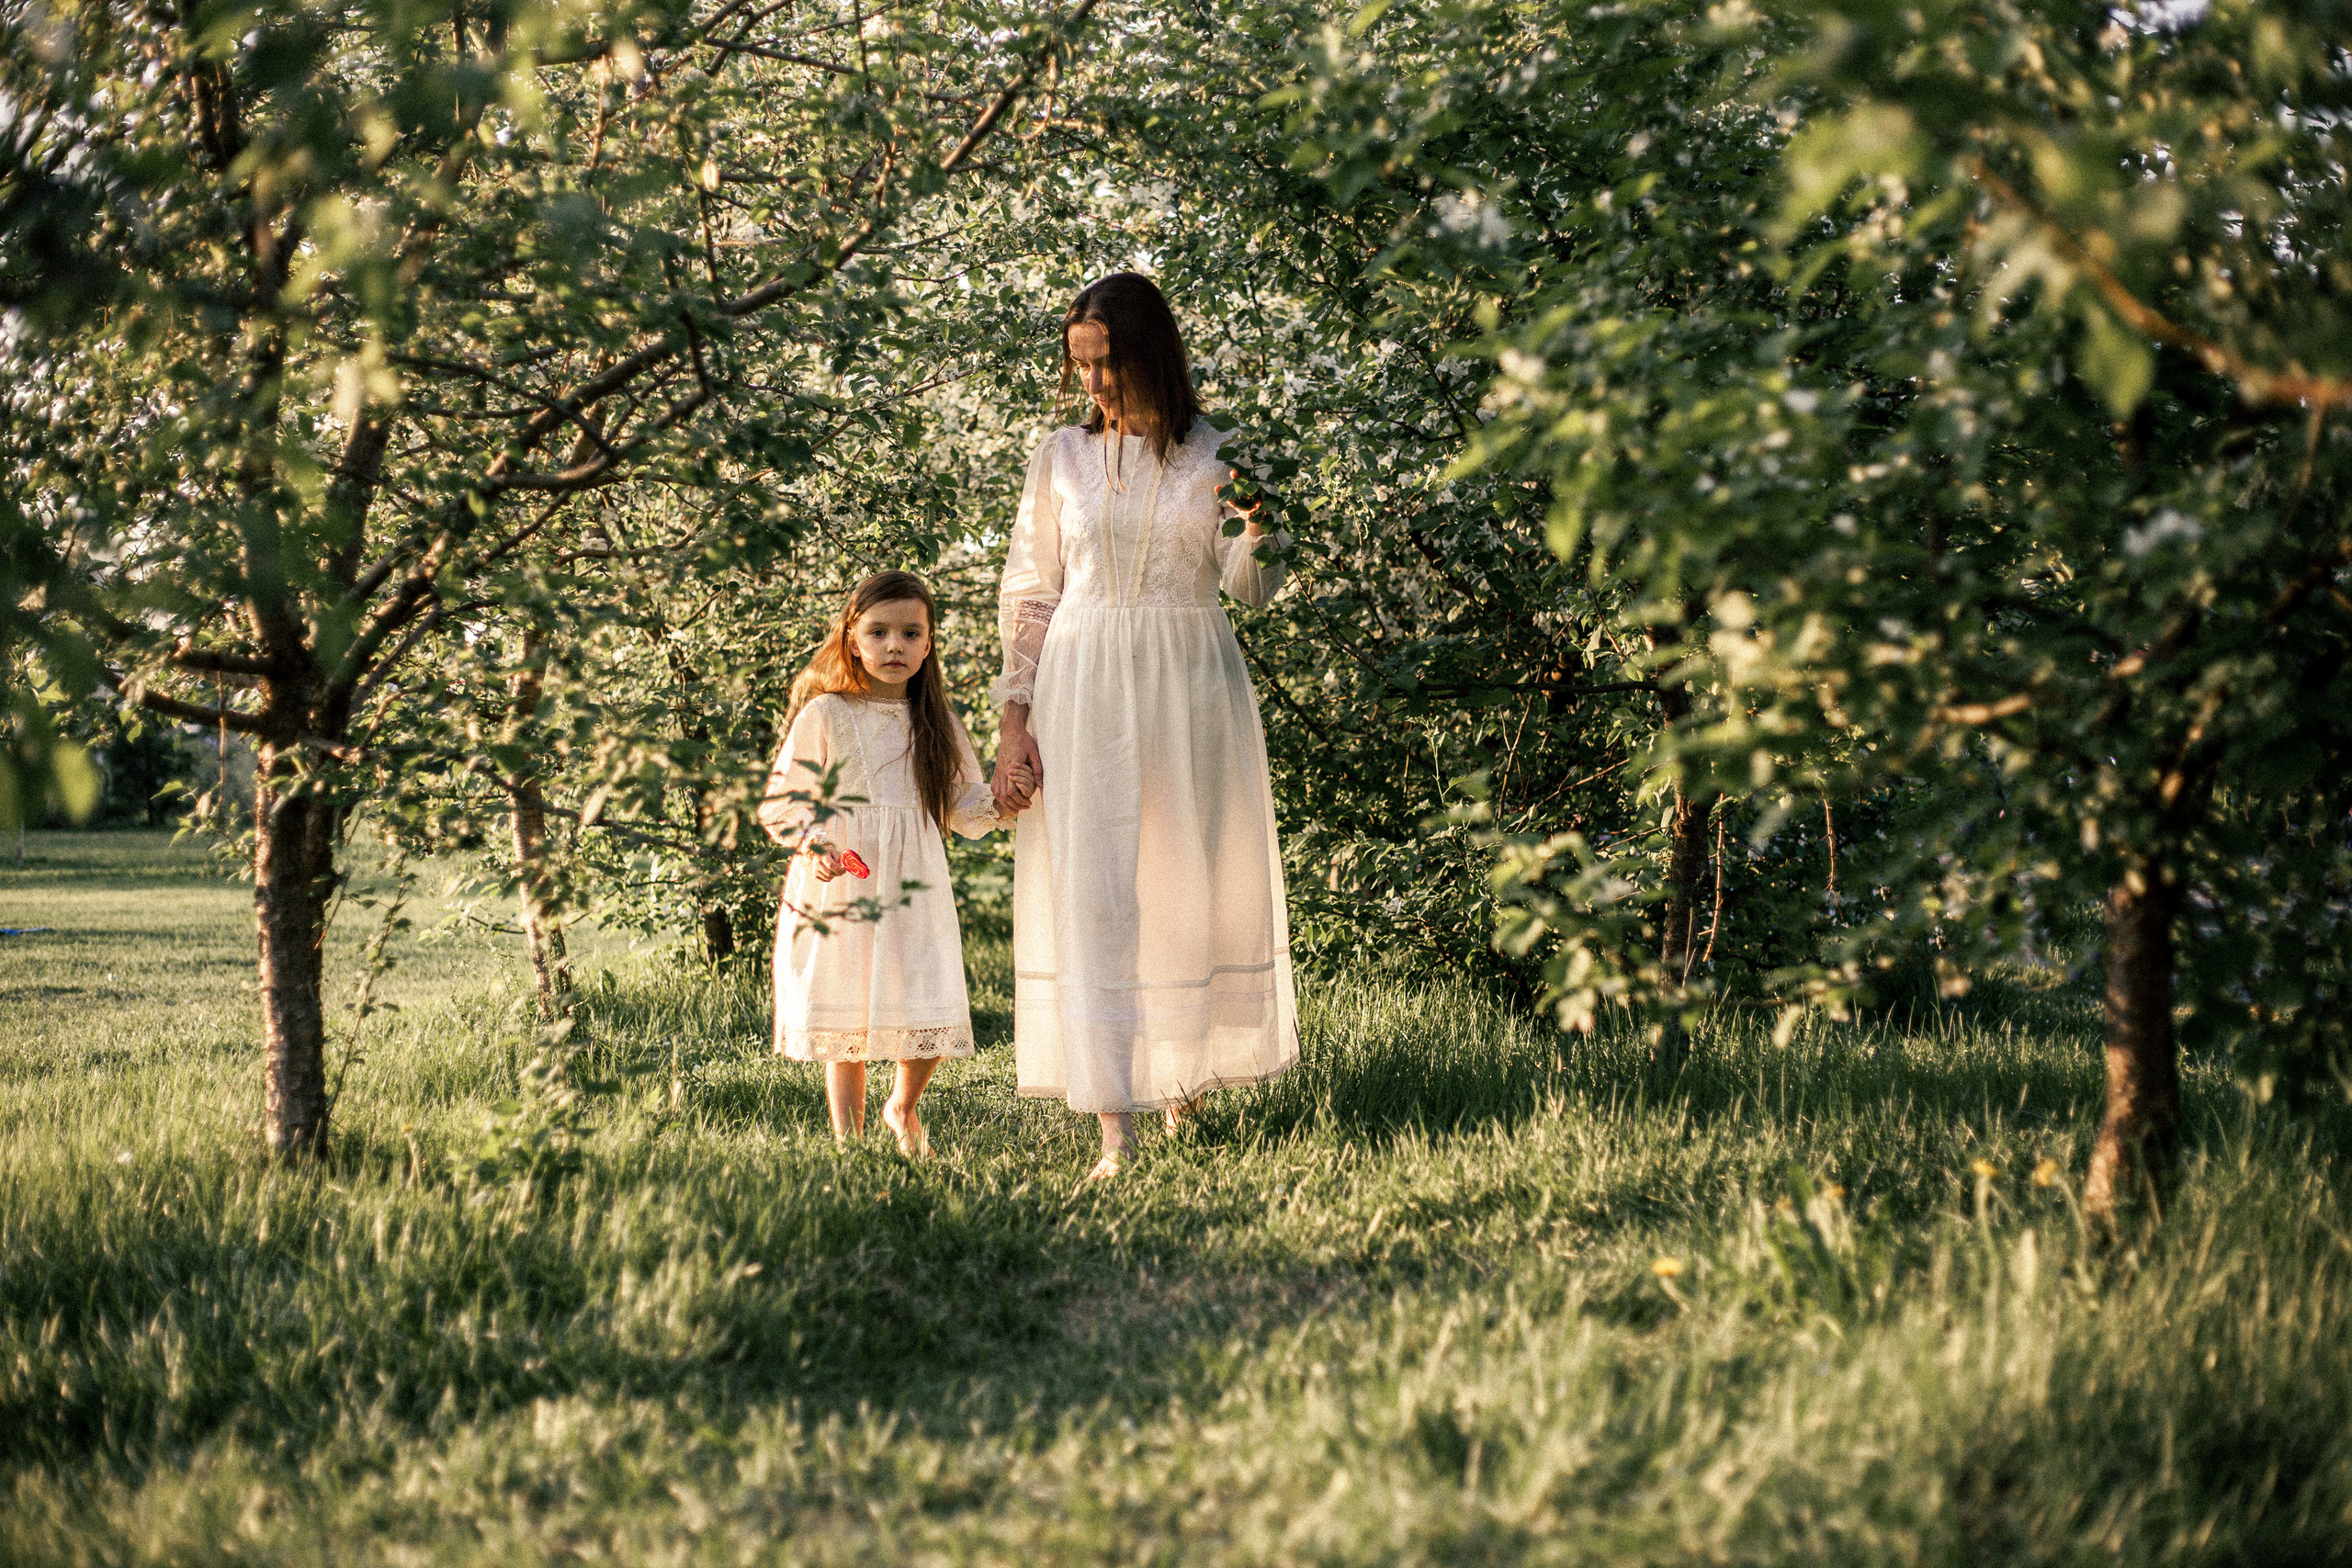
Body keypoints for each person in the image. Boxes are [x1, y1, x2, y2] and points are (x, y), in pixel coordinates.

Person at [989, 272, 1299, 1180]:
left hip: (1187, 678)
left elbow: (1250, 587)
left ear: (1148, 355)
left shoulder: (1219, 453)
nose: (1092, 386)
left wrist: (1263, 524)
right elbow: (1030, 591)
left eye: (1106, 365)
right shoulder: (1060, 457)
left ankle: (1182, 1084)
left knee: (1179, 879)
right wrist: (1014, 721)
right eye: (1078, 368)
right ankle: (1112, 1123)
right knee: (1095, 888)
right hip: (1080, 681)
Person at [759, 570, 1028, 1156]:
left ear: (929, 643)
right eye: (878, 632)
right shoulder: (826, 714)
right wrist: (814, 843)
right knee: (847, 1018)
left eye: (911, 633)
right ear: (852, 638)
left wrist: (1003, 801)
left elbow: (963, 804)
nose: (894, 646)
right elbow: (786, 798)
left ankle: (902, 1105)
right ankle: (848, 1143)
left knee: (927, 990)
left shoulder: (937, 723)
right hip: (844, 880)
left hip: (914, 881)